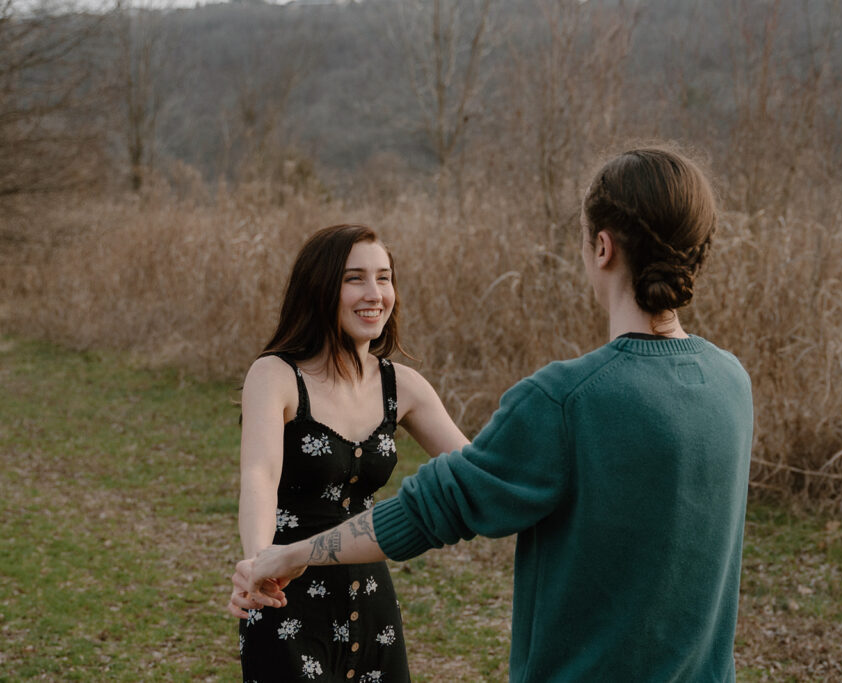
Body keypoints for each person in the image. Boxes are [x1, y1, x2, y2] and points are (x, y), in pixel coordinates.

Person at [232, 148, 755, 681]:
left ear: (602, 246)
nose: (375, 293)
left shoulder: (565, 398)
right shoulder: (732, 382)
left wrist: (285, 557)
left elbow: (445, 500)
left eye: (384, 277)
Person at [226, 224, 469, 682]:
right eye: (354, 278)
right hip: (286, 598)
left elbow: (478, 472)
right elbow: (259, 474)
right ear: (319, 288)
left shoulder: (404, 386)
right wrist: (260, 564)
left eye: (384, 277)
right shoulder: (276, 375)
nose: (374, 293)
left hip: (372, 600)